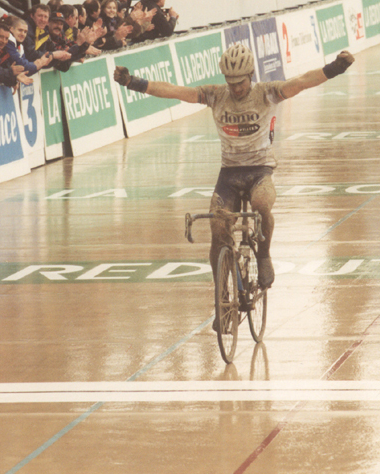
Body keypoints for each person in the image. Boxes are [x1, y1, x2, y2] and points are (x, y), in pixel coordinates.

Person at [114, 43, 354, 300]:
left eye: (240, 82)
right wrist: (133, 82)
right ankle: (222, 296)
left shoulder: (267, 93)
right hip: (229, 174)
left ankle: (263, 255)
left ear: (250, 75)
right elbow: (175, 92)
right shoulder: (215, 95)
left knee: (261, 204)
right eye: (230, 83)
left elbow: (303, 81)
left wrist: (335, 68)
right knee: (218, 228)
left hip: (259, 170)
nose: (236, 88)